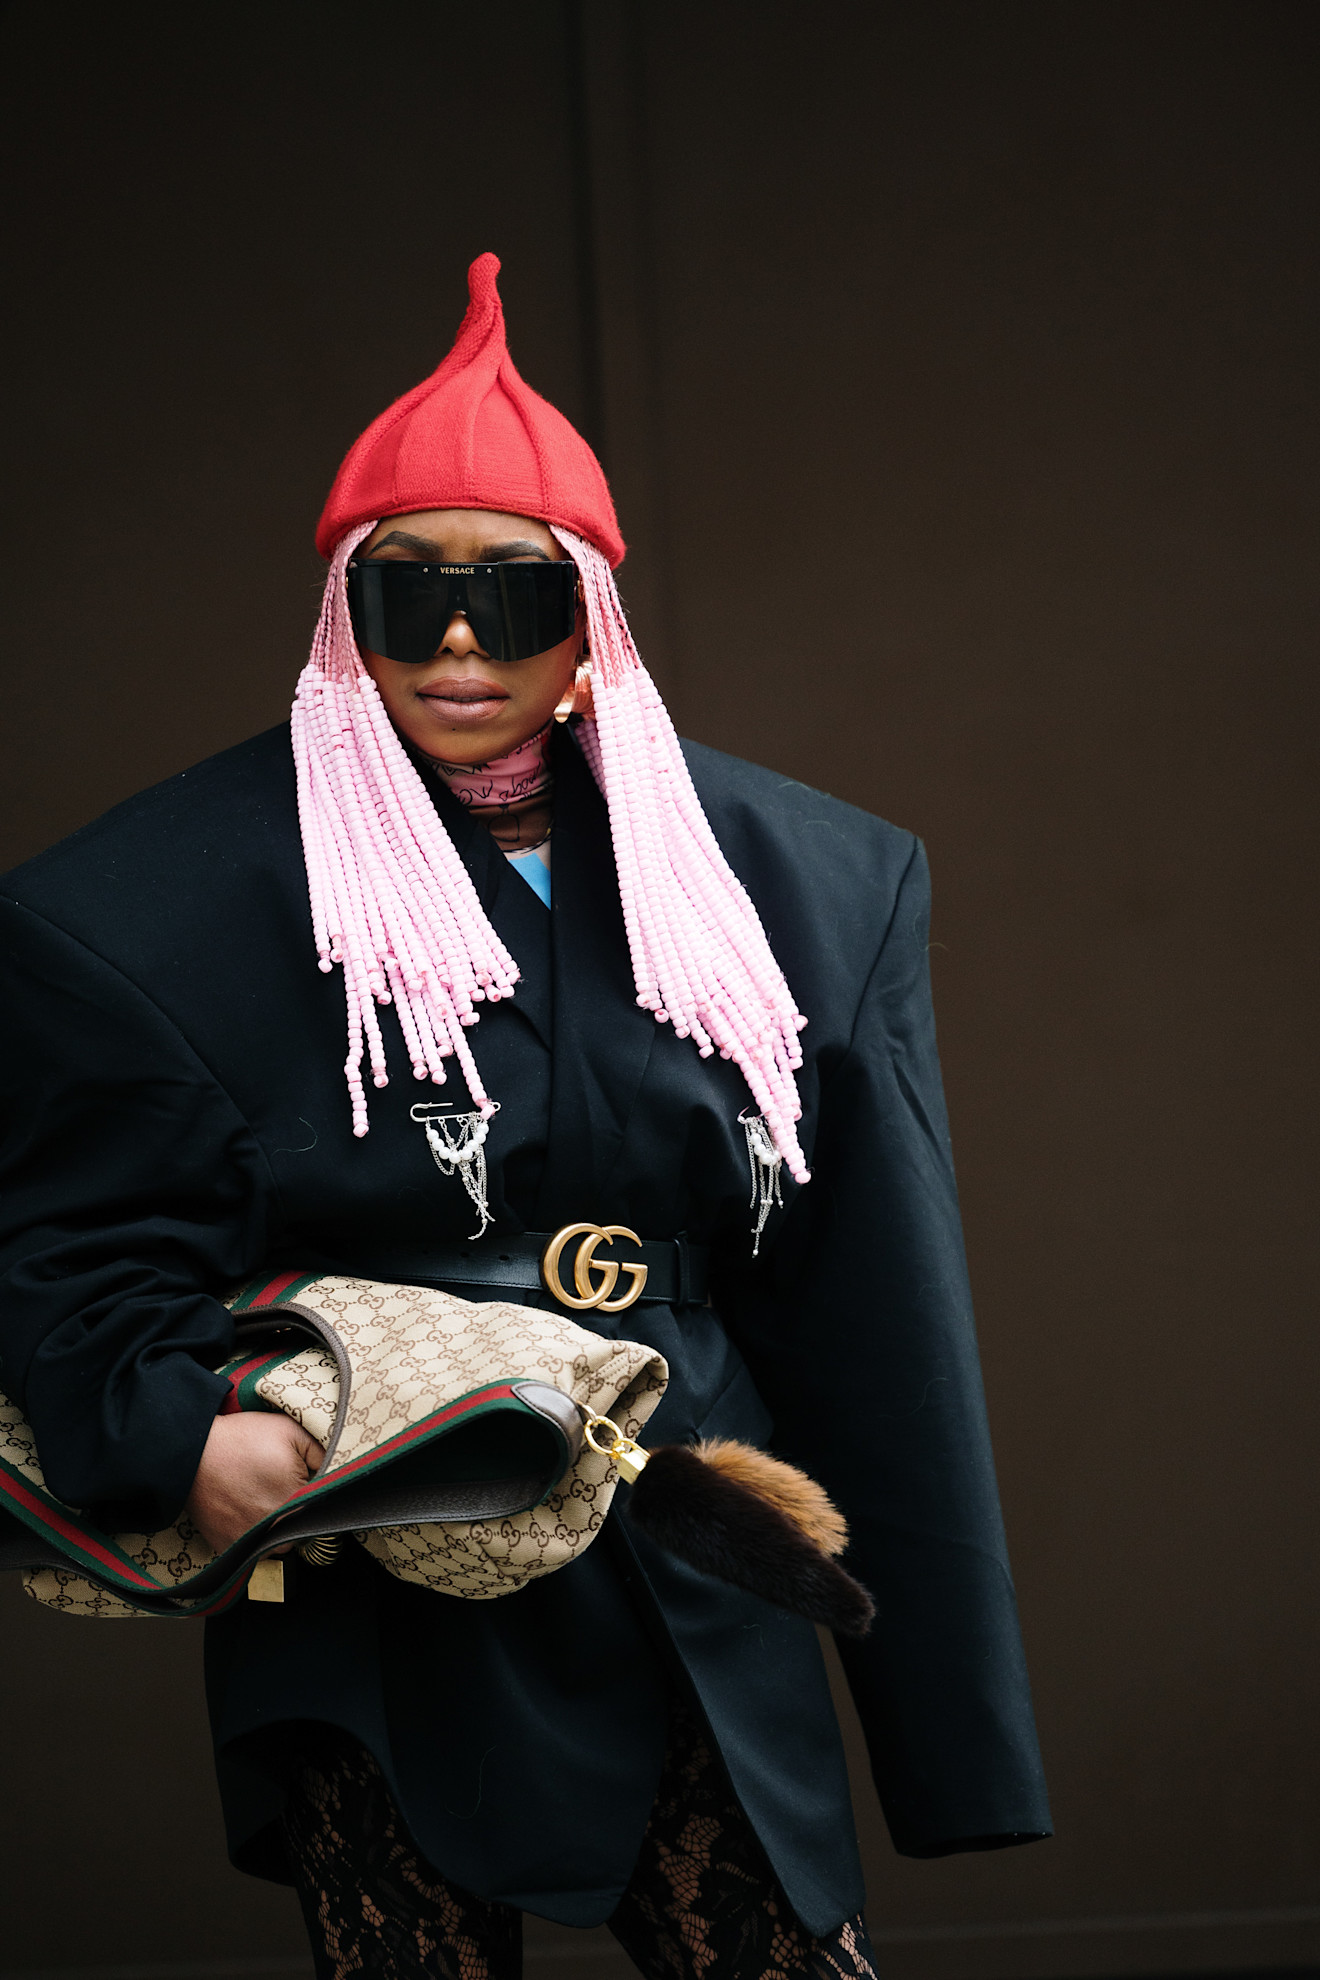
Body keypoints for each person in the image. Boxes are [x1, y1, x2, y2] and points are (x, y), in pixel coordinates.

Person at [0, 253, 1050, 1979]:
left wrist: (946, 1712)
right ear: (342, 614)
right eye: (408, 597)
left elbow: (879, 1304)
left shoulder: (810, 883)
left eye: (520, 592)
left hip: (693, 1508)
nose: (468, 643)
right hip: (380, 1533)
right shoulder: (142, 910)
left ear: (598, 619)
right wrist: (171, 1433)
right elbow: (69, 1251)